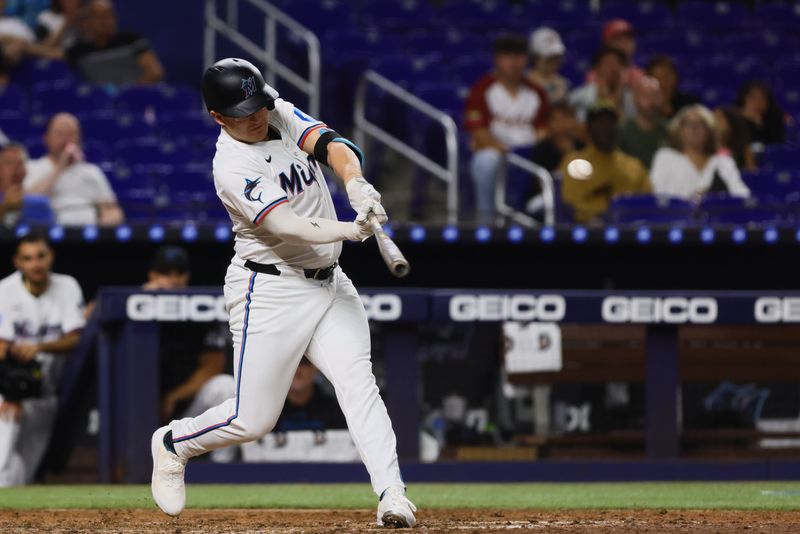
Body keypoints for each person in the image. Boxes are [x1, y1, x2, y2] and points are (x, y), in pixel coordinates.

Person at [149, 58, 416, 528]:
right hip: (271, 288)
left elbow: (334, 144)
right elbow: (287, 226)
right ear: (217, 117)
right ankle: (175, 442)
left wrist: (355, 182)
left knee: (359, 386)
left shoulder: (272, 108)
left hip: (330, 282)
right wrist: (351, 228)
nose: (256, 116)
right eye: (243, 111)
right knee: (253, 421)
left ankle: (392, 495)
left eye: (258, 104)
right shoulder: (232, 166)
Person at [0, 232, 85, 486]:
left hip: (45, 392)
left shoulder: (67, 286)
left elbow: (76, 338)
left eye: (40, 256)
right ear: (17, 262)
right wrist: (11, 395)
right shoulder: (5, 290)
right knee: (2, 461)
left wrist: (39, 347)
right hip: (8, 393)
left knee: (26, 467)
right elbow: (2, 346)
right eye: (28, 258)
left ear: (51, 257)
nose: (35, 264)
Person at [144, 246, 237, 463]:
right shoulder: (135, 305)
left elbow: (212, 367)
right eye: (165, 273)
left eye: (179, 273)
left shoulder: (199, 313)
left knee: (225, 386)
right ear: (153, 276)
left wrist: (175, 396)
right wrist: (141, 295)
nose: (173, 279)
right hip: (142, 408)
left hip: (186, 409)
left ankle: (221, 469)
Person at [465, 35, 549, 223]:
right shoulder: (482, 90)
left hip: (531, 155)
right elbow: (479, 133)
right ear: (497, 59)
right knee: (485, 160)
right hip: (500, 154)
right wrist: (506, 150)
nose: (514, 62)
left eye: (519, 57)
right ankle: (486, 222)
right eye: (508, 57)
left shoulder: (537, 92)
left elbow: (544, 131)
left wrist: (532, 152)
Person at [24, 112, 124, 226]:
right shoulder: (32, 167)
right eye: (59, 134)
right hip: (49, 232)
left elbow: (113, 211)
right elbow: (30, 203)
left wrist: (103, 225)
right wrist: (60, 167)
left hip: (88, 235)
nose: (65, 139)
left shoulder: (92, 171)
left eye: (71, 134)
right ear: (46, 138)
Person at [561, 101, 651, 223]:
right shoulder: (575, 163)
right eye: (599, 122)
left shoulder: (634, 166)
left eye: (609, 122)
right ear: (588, 128)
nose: (605, 127)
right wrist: (607, 213)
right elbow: (571, 205)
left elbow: (649, 204)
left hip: (630, 230)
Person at [650, 105, 751, 201]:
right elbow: (656, 193)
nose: (694, 127)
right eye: (688, 123)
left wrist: (714, 197)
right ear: (679, 130)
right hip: (675, 216)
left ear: (709, 130)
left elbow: (742, 195)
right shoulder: (665, 157)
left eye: (701, 123)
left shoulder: (723, 161)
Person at [65, 0, 164, 86]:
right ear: (88, 22)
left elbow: (155, 73)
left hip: (136, 101)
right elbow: (49, 54)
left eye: (110, 14)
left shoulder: (132, 40)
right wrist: (68, 23)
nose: (108, 20)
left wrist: (125, 96)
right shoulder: (79, 50)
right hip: (101, 105)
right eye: (100, 16)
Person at [569, 47, 634, 123]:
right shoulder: (580, 96)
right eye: (608, 63)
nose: (613, 68)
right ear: (597, 68)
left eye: (617, 63)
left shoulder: (632, 98)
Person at [616, 76, 667, 169]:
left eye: (655, 95)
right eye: (646, 95)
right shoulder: (622, 131)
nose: (651, 101)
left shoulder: (670, 131)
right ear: (634, 98)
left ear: (662, 98)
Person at [0, 143, 54, 226]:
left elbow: (48, 235)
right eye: (9, 163)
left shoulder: (39, 204)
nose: (15, 167)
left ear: (26, 171)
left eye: (20, 163)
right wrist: (4, 208)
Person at [530, 102, 584, 173]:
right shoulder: (541, 151)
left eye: (566, 119)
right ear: (549, 124)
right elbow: (545, 181)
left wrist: (571, 152)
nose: (562, 125)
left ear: (574, 121)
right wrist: (566, 155)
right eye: (557, 120)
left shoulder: (582, 147)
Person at [646, 55, 699, 119]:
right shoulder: (644, 104)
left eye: (666, 76)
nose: (662, 82)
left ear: (675, 77)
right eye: (657, 78)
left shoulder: (690, 104)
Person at [735, 81, 786, 147]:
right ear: (743, 99)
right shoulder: (733, 118)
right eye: (753, 97)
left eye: (763, 98)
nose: (758, 103)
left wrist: (759, 126)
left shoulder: (775, 119)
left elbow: (776, 146)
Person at [527, 27, 570, 104]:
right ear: (535, 57)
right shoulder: (524, 83)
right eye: (549, 58)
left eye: (556, 57)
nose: (554, 61)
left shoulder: (565, 84)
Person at [715, 106, 756, 171]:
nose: (715, 122)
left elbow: (751, 173)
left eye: (719, 119)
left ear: (731, 125)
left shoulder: (744, 148)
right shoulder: (707, 147)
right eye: (713, 118)